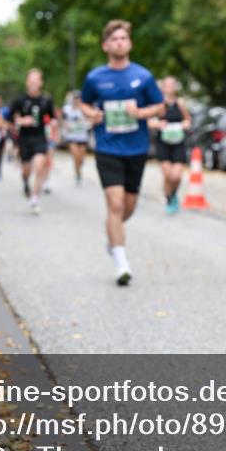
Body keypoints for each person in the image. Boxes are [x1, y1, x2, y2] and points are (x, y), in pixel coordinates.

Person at [79, 19, 164, 286]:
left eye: (123, 38)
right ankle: (121, 262)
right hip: (107, 147)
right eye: (114, 39)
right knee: (114, 203)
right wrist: (91, 113)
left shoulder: (143, 76)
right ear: (106, 45)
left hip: (136, 148)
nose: (119, 42)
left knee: (128, 207)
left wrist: (140, 113)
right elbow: (84, 103)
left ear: (130, 44)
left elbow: (159, 106)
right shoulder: (95, 78)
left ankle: (112, 238)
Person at [12, 69, 57, 214]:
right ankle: (25, 181)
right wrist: (20, 121)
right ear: (27, 82)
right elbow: (9, 120)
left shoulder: (46, 100)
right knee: (26, 170)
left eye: (36, 81)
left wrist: (54, 125)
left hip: (40, 138)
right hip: (24, 139)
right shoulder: (20, 100)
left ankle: (35, 197)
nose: (33, 84)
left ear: (41, 83)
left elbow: (53, 117)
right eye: (31, 81)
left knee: (39, 166)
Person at [150, 76, 192, 214]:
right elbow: (149, 121)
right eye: (167, 85)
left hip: (178, 142)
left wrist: (184, 125)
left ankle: (173, 194)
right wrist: (158, 124)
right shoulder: (158, 104)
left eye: (172, 85)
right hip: (163, 143)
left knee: (177, 176)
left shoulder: (180, 103)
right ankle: (169, 198)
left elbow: (188, 120)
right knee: (168, 175)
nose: (170, 87)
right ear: (163, 87)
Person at [61, 91, 92, 185]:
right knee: (75, 155)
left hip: (82, 137)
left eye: (79, 99)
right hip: (72, 136)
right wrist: (66, 127)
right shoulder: (67, 109)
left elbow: (90, 119)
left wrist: (86, 123)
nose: (77, 101)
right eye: (75, 99)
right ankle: (77, 174)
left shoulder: (84, 109)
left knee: (81, 159)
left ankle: (79, 169)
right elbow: (63, 120)